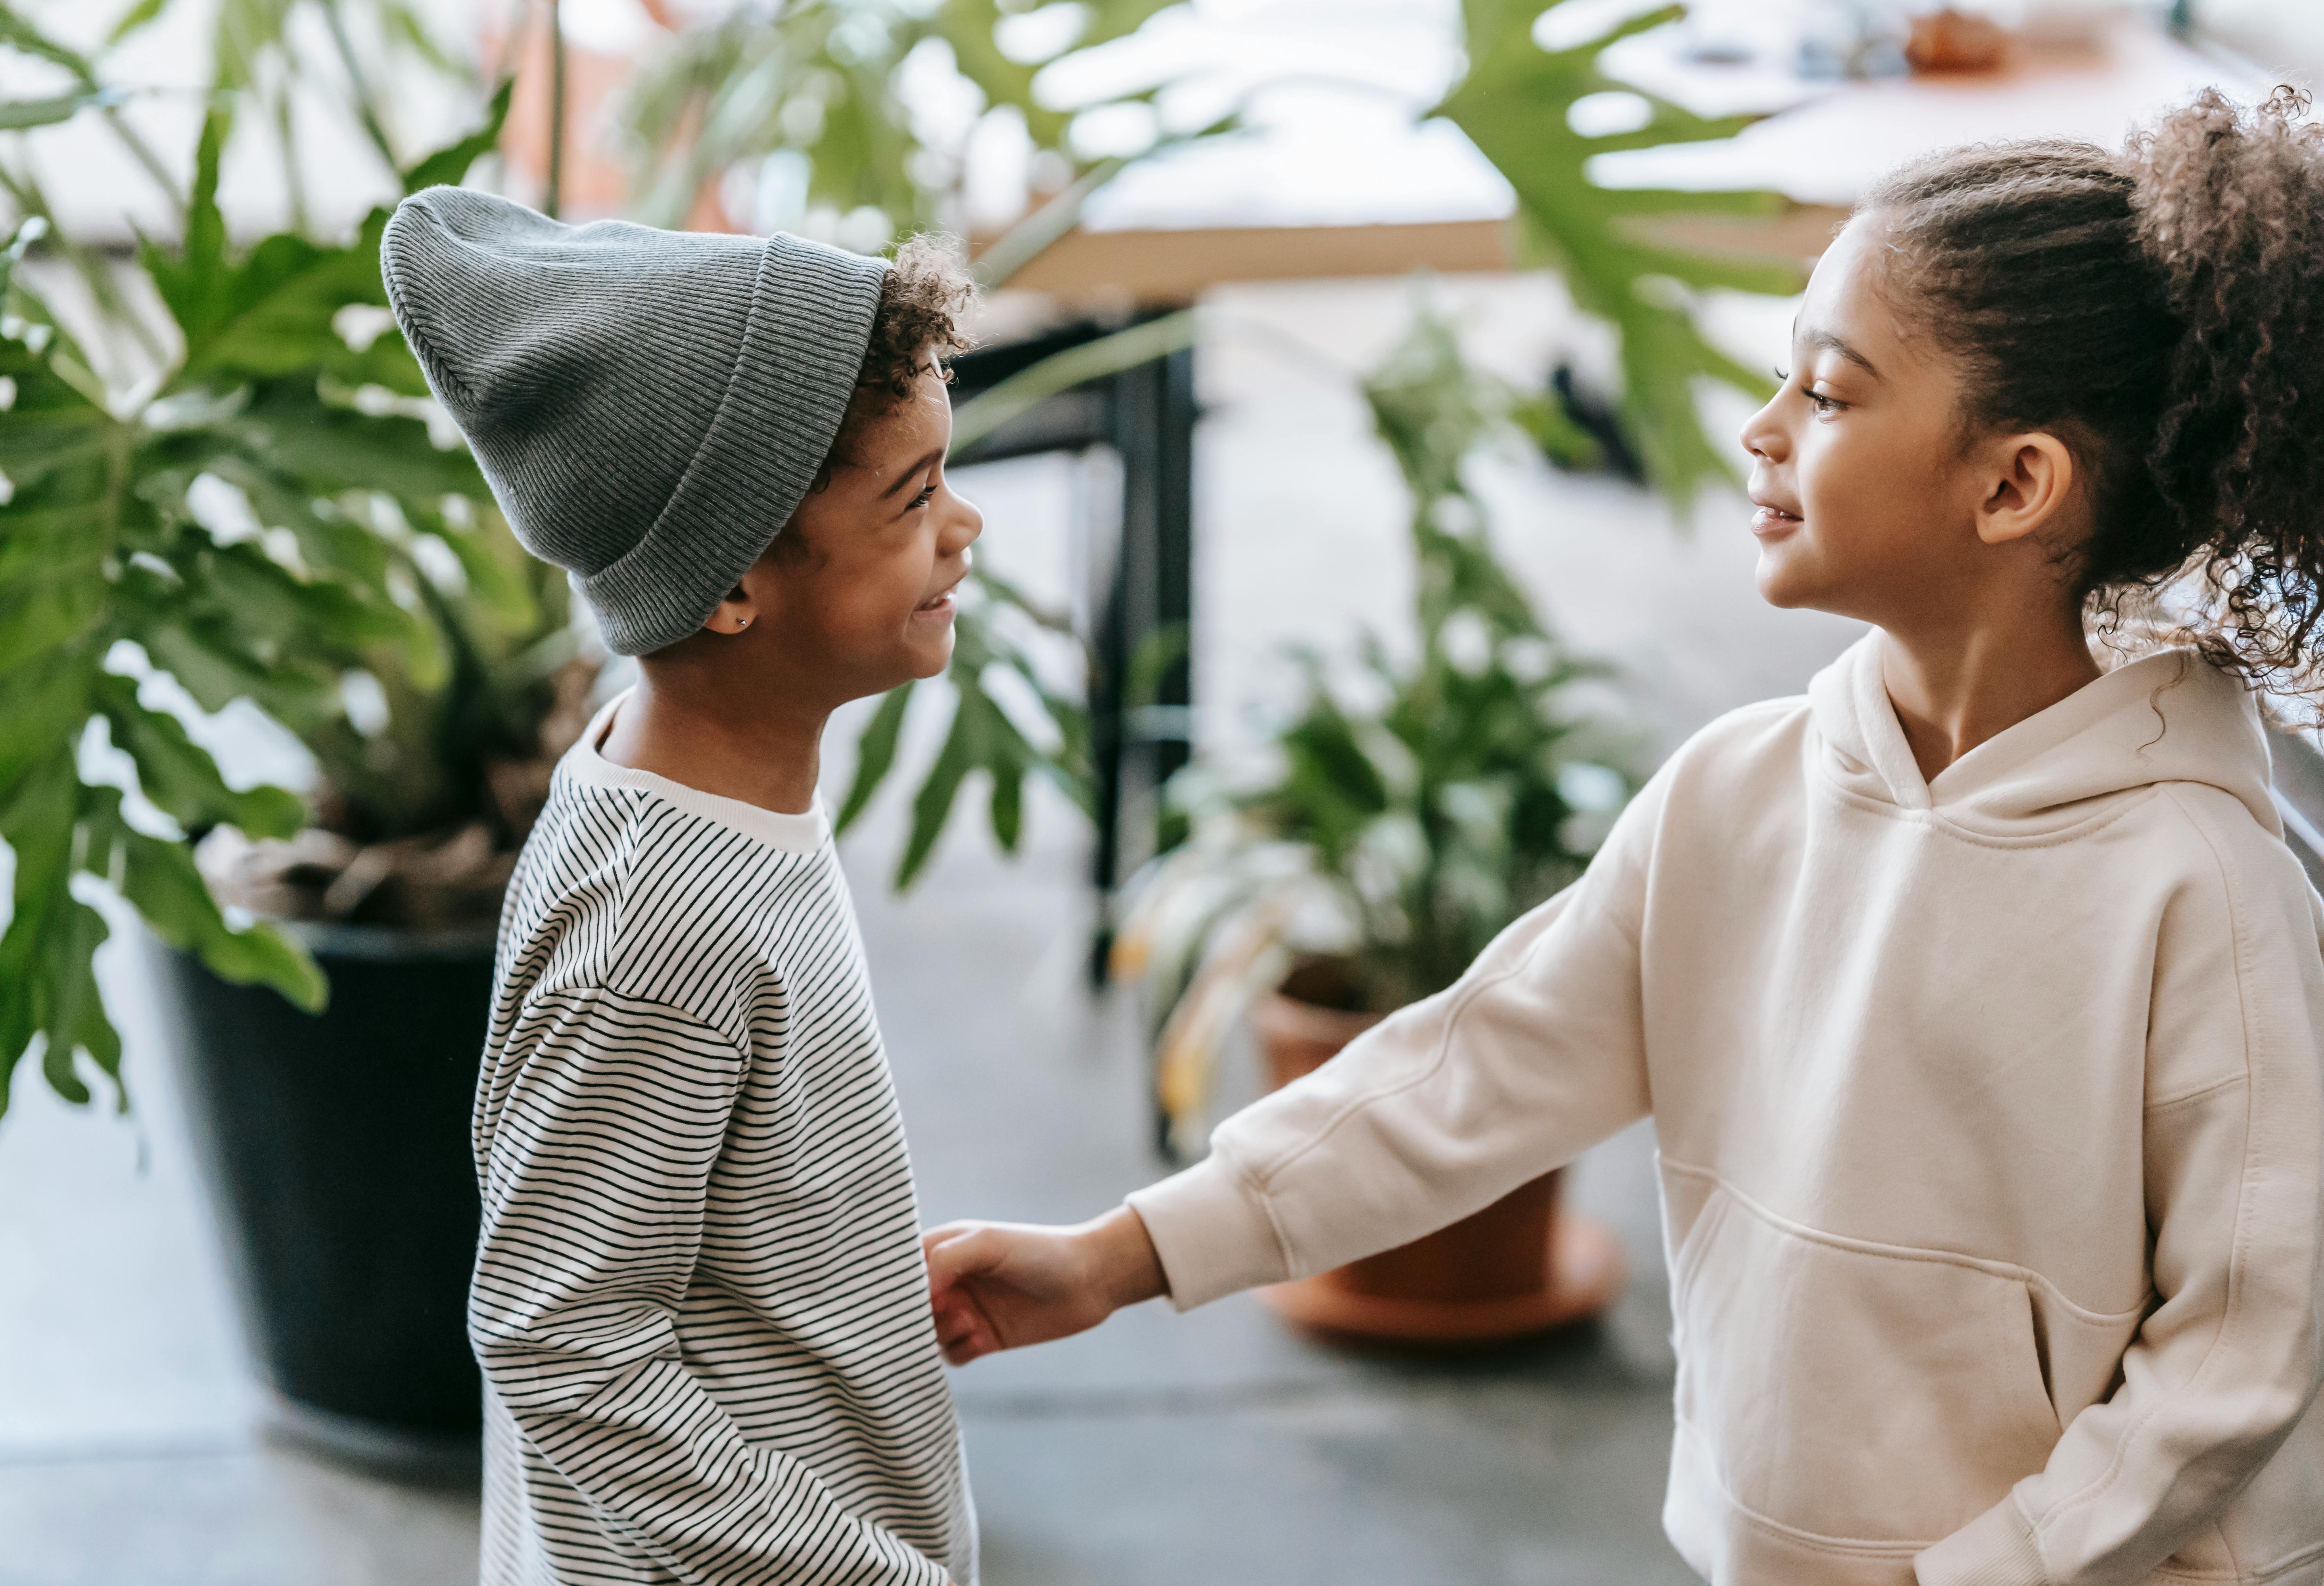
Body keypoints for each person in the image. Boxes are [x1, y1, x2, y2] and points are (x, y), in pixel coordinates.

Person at [922, 88, 2324, 1586]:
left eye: (1832, 394)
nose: (1762, 425)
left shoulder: (2207, 888)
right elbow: (1477, 1066)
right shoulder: (1737, 793)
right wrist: (1123, 1254)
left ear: (2013, 483)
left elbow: (2247, 1352)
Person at [381, 193, 982, 1586]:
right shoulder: (657, 932)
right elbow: (556, 1335)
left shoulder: (704, 789)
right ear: (728, 587)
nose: (963, 525)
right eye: (912, 496)